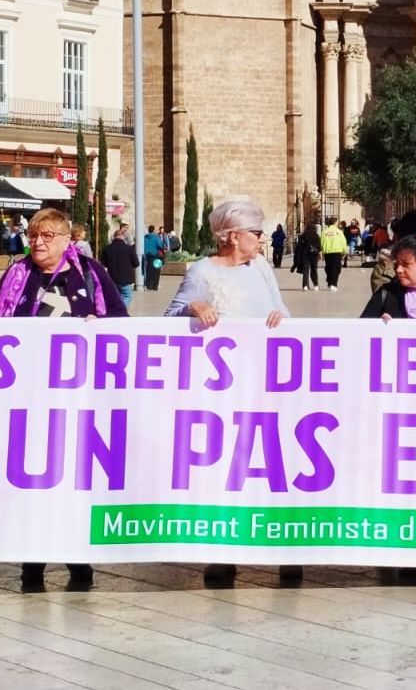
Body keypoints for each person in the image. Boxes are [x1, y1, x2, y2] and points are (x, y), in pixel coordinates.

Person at [0, 208, 126, 591]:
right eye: (33, 235)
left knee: (74, 483)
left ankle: (78, 562)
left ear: (67, 240)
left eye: (47, 235)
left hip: (78, 397)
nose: (38, 242)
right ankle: (31, 565)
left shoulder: (90, 273)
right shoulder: (17, 276)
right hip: (29, 397)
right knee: (32, 482)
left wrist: (100, 327)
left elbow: (119, 318)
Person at [162, 200, 296, 585]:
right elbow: (168, 318)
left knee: (272, 464)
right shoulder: (201, 271)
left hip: (264, 381)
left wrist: (280, 318)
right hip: (221, 389)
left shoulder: (260, 267)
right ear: (233, 237)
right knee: (230, 468)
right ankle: (224, 551)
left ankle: (286, 548)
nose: (260, 239)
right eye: (255, 233)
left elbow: (281, 309)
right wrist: (193, 306)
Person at [100, 226, 140, 307]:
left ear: (114, 237)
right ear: (123, 237)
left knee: (116, 296)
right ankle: (121, 309)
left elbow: (103, 264)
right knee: (127, 296)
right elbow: (136, 263)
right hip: (126, 278)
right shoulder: (129, 249)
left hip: (112, 277)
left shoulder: (107, 249)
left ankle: (117, 310)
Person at [319, 216, 346, 292]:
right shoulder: (339, 232)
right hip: (337, 251)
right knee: (336, 268)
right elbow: (343, 242)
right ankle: (333, 284)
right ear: (335, 223)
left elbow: (321, 242)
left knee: (329, 267)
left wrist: (322, 250)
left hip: (327, 252)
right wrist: (344, 251)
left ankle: (329, 281)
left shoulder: (324, 232)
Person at [296, 222, 321, 291]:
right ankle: (316, 285)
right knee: (314, 270)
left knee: (305, 271)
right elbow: (319, 246)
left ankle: (305, 285)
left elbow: (299, 246)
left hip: (305, 255)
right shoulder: (316, 235)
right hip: (313, 255)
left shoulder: (303, 236)